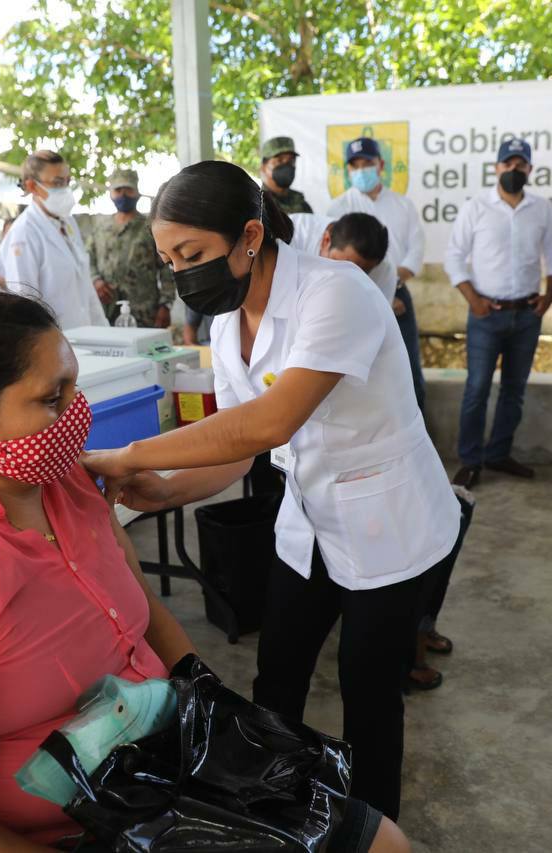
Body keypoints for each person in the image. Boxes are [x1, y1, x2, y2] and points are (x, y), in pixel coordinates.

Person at [0, 290, 409, 853]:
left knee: (382, 842)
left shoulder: (67, 485)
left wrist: (214, 711)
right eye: (51, 398)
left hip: (167, 772)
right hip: (72, 828)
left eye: (74, 387)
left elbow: (143, 615)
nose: (76, 414)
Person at [83, 160, 462, 821]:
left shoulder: (334, 292)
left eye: (191, 254)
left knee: (367, 689)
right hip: (309, 519)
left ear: (249, 235)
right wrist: (161, 491)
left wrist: (128, 453)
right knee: (276, 676)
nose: (180, 274)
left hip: (386, 521)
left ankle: (374, 829)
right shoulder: (227, 324)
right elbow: (240, 449)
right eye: (169, 258)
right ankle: (274, 813)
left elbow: (268, 419)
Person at [445, 138, 552, 488]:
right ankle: (470, 460)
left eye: (520, 164)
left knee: (514, 390)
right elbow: (454, 255)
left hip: (527, 314)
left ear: (529, 169)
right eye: (507, 164)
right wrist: (473, 299)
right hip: (486, 315)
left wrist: (550, 297)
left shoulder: (541, 209)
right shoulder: (477, 207)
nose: (514, 170)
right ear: (496, 168)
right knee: (477, 388)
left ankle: (498, 453)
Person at [327, 137, 427, 410]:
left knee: (408, 368)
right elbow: (334, 263)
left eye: (367, 163)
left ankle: (416, 436)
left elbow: (415, 251)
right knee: (362, 371)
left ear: (380, 165)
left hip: (398, 296)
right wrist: (375, 295)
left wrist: (390, 285)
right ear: (348, 170)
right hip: (349, 300)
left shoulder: (403, 205)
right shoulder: (336, 209)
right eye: (355, 165)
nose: (361, 170)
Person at [0, 149, 108, 330]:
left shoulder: (68, 223)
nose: (65, 189)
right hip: (54, 342)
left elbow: (86, 287)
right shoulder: (23, 234)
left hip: (88, 337)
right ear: (33, 186)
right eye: (57, 183)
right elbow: (25, 304)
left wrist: (105, 331)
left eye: (67, 182)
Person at [86, 169, 175, 328]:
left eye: (128, 189)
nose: (123, 195)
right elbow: (88, 258)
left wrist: (166, 305)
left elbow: (167, 268)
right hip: (106, 311)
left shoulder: (151, 227)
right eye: (118, 190)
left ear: (137, 192)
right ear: (111, 194)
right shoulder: (100, 228)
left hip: (144, 312)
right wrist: (96, 281)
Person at [289, 211, 397, 303]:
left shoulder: (384, 270)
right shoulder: (292, 235)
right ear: (326, 240)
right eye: (341, 266)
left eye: (362, 272)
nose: (346, 278)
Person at [259, 136, 313, 214]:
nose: (286, 166)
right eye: (279, 160)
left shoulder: (302, 205)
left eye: (291, 161)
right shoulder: (256, 204)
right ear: (263, 167)